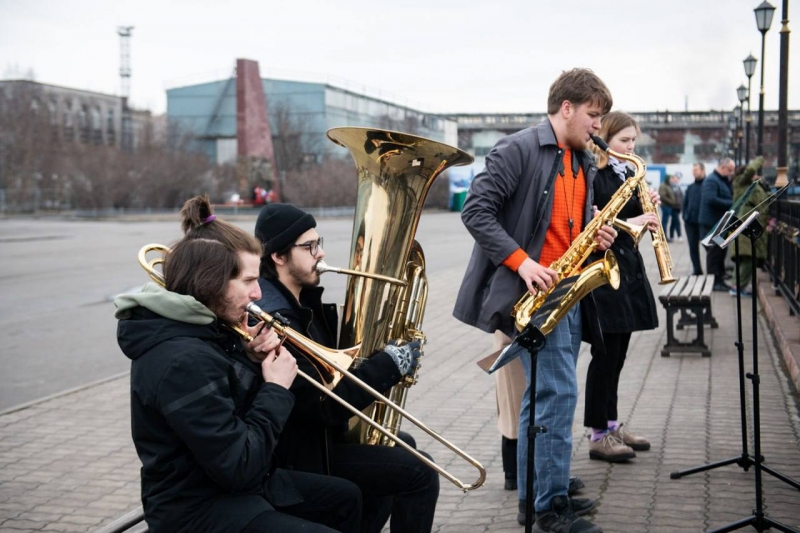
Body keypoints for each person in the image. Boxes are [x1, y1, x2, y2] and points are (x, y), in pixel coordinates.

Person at [115, 201, 362, 533]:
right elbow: (240, 465)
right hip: (197, 509)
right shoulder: (182, 359)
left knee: (346, 498)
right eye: (248, 281)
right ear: (210, 283)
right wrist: (275, 389)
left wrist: (250, 361)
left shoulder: (206, 329)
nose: (258, 293)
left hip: (229, 487)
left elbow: (228, 418)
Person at [454, 68, 618, 533]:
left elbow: (568, 224)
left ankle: (543, 495)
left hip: (565, 291)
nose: (597, 126)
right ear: (566, 108)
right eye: (592, 115)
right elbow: (475, 211)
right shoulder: (517, 148)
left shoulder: (581, 158)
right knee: (555, 394)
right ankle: (547, 510)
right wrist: (522, 262)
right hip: (532, 292)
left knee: (550, 397)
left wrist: (597, 238)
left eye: (601, 118)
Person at [252, 203, 440, 533]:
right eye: (309, 246)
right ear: (279, 257)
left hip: (318, 442)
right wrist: (388, 366)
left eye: (318, 242)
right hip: (302, 454)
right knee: (421, 472)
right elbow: (323, 406)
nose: (320, 253)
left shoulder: (300, 302)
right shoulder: (277, 319)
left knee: (401, 443)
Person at [583, 111, 659, 463]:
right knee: (605, 356)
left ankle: (612, 424)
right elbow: (597, 223)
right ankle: (598, 434)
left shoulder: (626, 173)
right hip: (604, 275)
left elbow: (630, 226)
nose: (631, 148)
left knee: (619, 356)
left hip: (626, 271)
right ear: (606, 140)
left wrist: (648, 209)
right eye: (624, 141)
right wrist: (635, 220)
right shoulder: (595, 175)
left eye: (633, 142)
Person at [730, 156, 767, 296]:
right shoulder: (741, 183)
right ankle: (737, 287)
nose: (756, 175)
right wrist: (760, 159)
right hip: (745, 226)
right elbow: (751, 170)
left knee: (746, 257)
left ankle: (736, 286)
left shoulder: (751, 186)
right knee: (749, 257)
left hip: (749, 225)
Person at [698, 158, 736, 291]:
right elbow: (711, 199)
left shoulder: (721, 180)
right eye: (730, 170)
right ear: (723, 167)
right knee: (714, 254)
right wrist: (731, 204)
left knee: (721, 251)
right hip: (712, 225)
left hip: (719, 225)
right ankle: (714, 281)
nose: (731, 173)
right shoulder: (712, 180)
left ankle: (719, 277)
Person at [683, 163, 706, 275]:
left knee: (708, 247)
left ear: (703, 171)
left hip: (703, 223)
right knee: (693, 248)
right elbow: (685, 203)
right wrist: (685, 216)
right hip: (690, 223)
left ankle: (715, 270)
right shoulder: (691, 187)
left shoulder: (707, 185)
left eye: (696, 170)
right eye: (693, 170)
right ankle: (697, 270)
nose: (694, 172)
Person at [658, 175, 677, 242]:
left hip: (669, 206)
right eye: (670, 178)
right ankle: (664, 237)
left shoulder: (668, 185)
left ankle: (665, 236)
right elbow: (662, 196)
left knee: (666, 221)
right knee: (664, 222)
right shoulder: (663, 186)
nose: (671, 180)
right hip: (665, 206)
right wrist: (671, 201)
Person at [668, 173, 684, 241]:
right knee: (677, 221)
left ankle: (671, 236)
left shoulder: (678, 187)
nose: (676, 180)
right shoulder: (670, 187)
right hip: (673, 207)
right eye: (674, 179)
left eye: (677, 179)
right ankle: (679, 235)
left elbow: (681, 197)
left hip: (678, 207)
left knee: (673, 222)